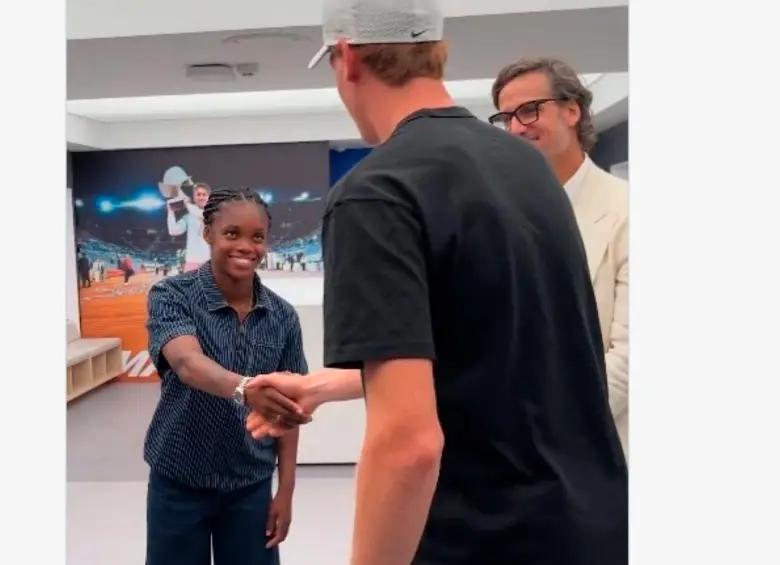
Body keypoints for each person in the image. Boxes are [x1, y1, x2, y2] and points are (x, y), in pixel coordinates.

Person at [246, 1, 628, 564]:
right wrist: (325, 385)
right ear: (436, 51)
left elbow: (409, 445)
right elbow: (489, 351)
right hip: (585, 526)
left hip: (482, 536)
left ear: (346, 59)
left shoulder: (375, 193)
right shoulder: (527, 167)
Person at [144, 187, 309, 565]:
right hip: (178, 481)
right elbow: (186, 363)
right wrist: (245, 389)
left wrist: (285, 491)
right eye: (232, 234)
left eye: (257, 237)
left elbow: (287, 412)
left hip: (250, 487)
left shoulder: (282, 317)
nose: (246, 247)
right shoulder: (171, 295)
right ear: (208, 234)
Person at [488, 57, 629, 458]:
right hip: (513, 454)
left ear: (572, 110)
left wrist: (547, 432)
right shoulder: (502, 214)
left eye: (530, 110)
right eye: (506, 117)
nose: (516, 127)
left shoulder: (627, 210)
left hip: (596, 447)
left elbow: (630, 359)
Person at [162, 167, 211, 272]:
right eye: (198, 194)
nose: (201, 197)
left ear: (208, 197)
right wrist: (171, 213)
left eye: (204, 195)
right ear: (194, 197)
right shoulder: (188, 216)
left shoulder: (214, 212)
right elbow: (173, 231)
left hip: (209, 263)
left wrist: (186, 202)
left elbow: (200, 214)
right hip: (191, 263)